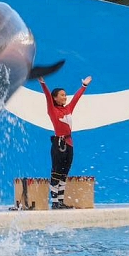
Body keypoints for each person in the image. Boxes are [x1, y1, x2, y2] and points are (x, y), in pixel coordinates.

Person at [39, 75, 92, 209]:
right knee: (56, 173)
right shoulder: (52, 110)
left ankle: (61, 202)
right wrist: (43, 83)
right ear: (55, 98)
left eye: (65, 95)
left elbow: (77, 98)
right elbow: (47, 96)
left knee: (64, 173)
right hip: (58, 144)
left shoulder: (68, 108)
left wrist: (84, 86)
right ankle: (55, 202)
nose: (65, 97)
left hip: (69, 144)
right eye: (62, 95)